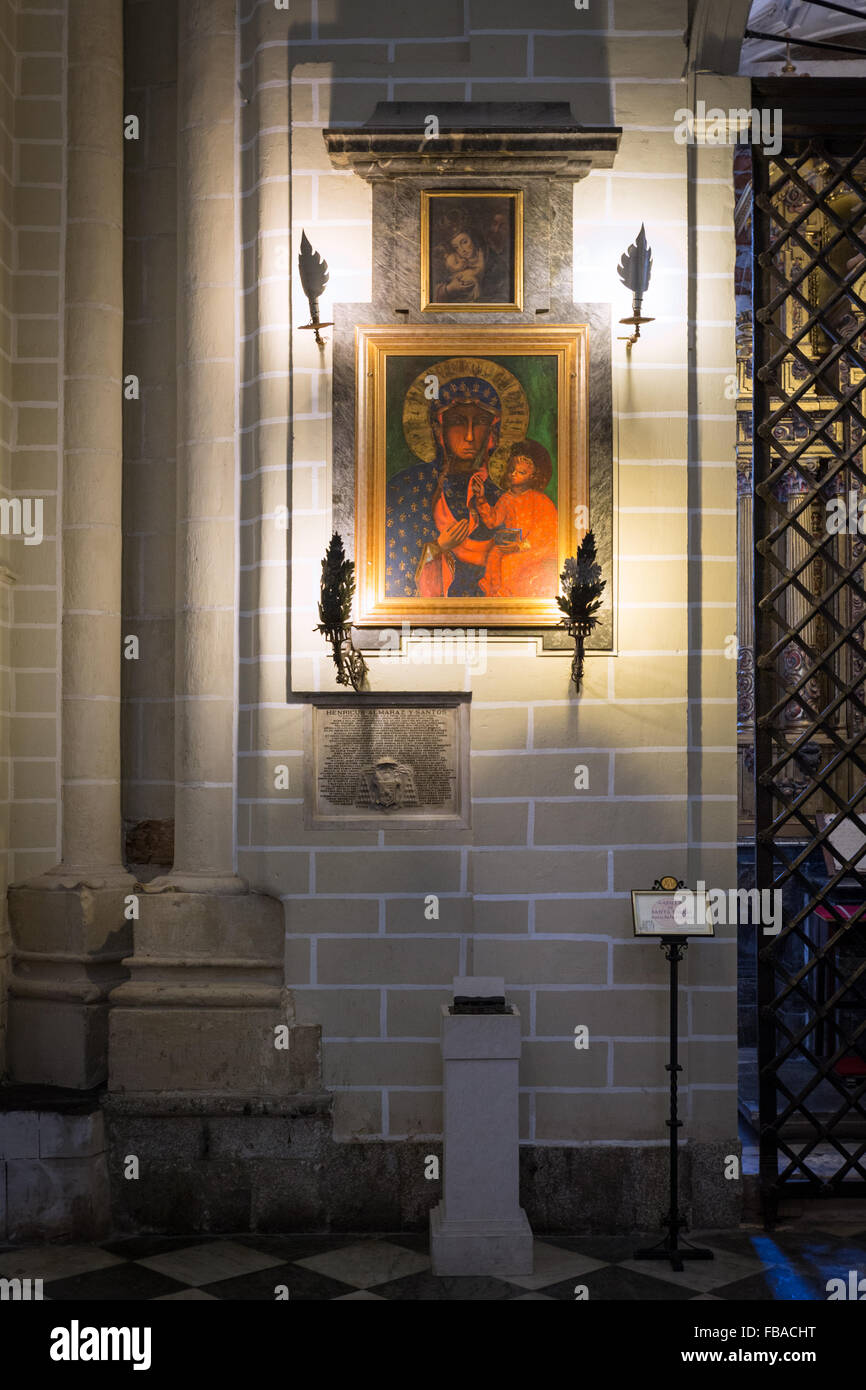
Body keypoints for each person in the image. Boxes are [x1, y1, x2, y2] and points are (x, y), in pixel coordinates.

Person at [385, 376, 505, 599]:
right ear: (439, 430)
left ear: (492, 433)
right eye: (458, 421)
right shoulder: (409, 487)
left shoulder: (500, 499)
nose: (469, 436)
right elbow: (390, 566)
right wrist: (436, 548)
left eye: (479, 422)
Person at [468, 439, 558, 599]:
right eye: (511, 470)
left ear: (533, 476)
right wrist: (481, 498)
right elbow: (492, 521)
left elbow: (546, 530)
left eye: (521, 472)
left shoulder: (539, 500)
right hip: (513, 543)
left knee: (510, 562)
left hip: (536, 547)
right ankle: (494, 593)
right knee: (495, 554)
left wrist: (521, 546)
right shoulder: (506, 499)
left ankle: (507, 595)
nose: (514, 474)